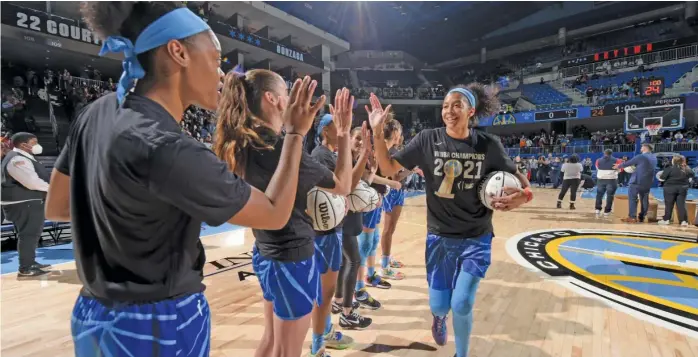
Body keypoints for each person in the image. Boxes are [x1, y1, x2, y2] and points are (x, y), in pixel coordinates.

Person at [45, 3, 320, 356]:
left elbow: (59, 205)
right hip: (160, 321)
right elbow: (274, 214)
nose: (223, 75)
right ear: (178, 52)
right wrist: (296, 134)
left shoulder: (94, 113)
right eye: (216, 58)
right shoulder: (170, 148)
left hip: (91, 313)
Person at [368, 84, 532, 357]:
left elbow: (524, 183)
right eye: (445, 106)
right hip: (440, 238)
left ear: (471, 111)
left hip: (476, 237)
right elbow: (389, 169)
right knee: (442, 306)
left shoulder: (488, 145)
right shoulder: (427, 139)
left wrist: (522, 197)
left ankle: (462, 353)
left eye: (457, 105)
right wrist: (376, 131)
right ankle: (439, 317)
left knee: (463, 302)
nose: (449, 111)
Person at [215, 73, 353, 357]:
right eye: (286, 93)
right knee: (286, 352)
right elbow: (343, 185)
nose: (290, 99)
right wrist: (343, 133)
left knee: (270, 343)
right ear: (272, 99)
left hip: (265, 251)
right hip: (292, 257)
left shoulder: (242, 139)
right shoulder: (282, 147)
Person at [309, 111, 355, 354]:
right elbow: (342, 188)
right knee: (324, 293)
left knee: (326, 292)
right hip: (324, 233)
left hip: (331, 229)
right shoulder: (320, 156)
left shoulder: (329, 154)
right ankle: (318, 346)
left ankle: (325, 332)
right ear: (325, 129)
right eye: (336, 125)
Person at [332, 124, 373, 330]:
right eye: (357, 138)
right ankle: (347, 313)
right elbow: (348, 187)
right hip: (345, 220)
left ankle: (339, 301)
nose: (359, 142)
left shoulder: (351, 159)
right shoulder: (345, 159)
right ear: (348, 139)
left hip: (348, 219)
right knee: (353, 261)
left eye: (362, 140)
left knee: (344, 262)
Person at [1, 132, 51, 276]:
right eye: (34, 142)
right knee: (28, 234)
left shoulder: (21, 157)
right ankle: (26, 267)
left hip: (26, 202)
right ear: (24, 145)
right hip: (24, 202)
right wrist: (53, 189)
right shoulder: (17, 159)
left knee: (31, 234)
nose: (37, 145)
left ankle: (30, 262)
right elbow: (31, 182)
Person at [380, 120, 410, 280]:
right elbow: (395, 177)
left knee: (391, 229)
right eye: (400, 132)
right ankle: (384, 265)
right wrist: (411, 169)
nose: (402, 136)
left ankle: (387, 257)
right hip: (391, 191)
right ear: (395, 133)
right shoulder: (390, 151)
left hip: (398, 190)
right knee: (388, 228)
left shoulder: (394, 149)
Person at [615, 144, 658, 223]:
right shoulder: (654, 157)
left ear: (645, 148)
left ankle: (632, 217)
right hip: (647, 182)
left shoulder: (641, 156)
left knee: (632, 199)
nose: (641, 148)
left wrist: (618, 166)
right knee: (644, 199)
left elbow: (628, 163)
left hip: (637, 181)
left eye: (642, 147)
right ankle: (642, 216)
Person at [658, 155, 693, 226]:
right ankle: (684, 221)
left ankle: (666, 220)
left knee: (669, 204)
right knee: (681, 205)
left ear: (673, 161)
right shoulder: (686, 168)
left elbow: (662, 178)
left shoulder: (669, 168)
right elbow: (692, 175)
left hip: (670, 188)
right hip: (683, 189)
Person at [595, 149, 621, 218]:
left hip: (601, 180)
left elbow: (597, 168)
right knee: (610, 196)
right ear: (611, 153)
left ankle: (597, 209)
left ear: (604, 153)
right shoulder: (617, 160)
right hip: (612, 180)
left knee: (599, 195)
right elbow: (620, 170)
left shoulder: (598, 160)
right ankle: (607, 211)